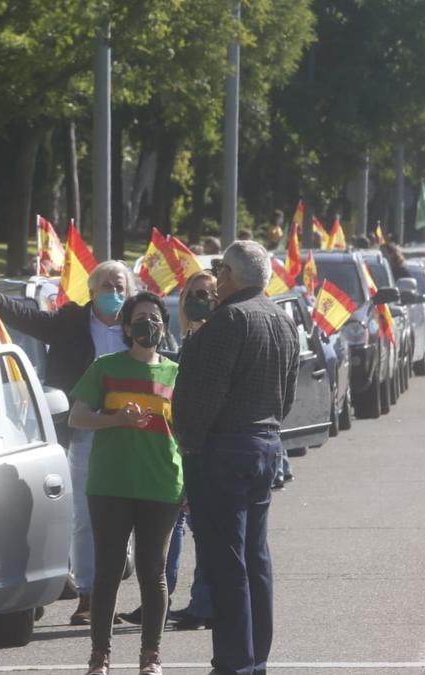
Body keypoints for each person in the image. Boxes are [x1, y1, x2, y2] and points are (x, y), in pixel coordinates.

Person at [0, 260, 136, 626]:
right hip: (86, 427)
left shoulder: (139, 323)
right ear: (92, 291)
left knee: (128, 514)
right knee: (85, 515)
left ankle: (119, 565)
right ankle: (90, 595)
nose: (114, 292)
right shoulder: (72, 322)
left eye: (120, 285)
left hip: (133, 432)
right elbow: (32, 322)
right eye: (106, 286)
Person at [172, 241, 300, 675]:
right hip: (264, 443)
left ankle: (235, 662)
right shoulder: (282, 320)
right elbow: (288, 395)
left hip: (222, 449)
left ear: (230, 275)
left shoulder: (229, 320)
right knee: (254, 557)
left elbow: (206, 394)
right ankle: (255, 658)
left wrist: (188, 443)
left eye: (220, 270)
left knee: (226, 563)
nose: (217, 278)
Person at [69, 291, 183, 675]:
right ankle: (99, 656)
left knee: (154, 572)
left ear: (164, 327)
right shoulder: (105, 367)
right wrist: (116, 419)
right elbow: (78, 417)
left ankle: (150, 657)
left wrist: (192, 487)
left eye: (155, 318)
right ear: (126, 326)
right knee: (108, 570)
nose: (147, 324)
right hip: (110, 484)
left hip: (161, 484)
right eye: (140, 317)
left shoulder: (175, 372)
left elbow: (185, 432)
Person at [119, 271, 217, 628]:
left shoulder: (217, 336)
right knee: (173, 527)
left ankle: (203, 604)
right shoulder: (186, 340)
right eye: (191, 293)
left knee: (201, 528)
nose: (198, 299)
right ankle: (160, 599)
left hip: (203, 448)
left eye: (206, 293)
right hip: (178, 448)